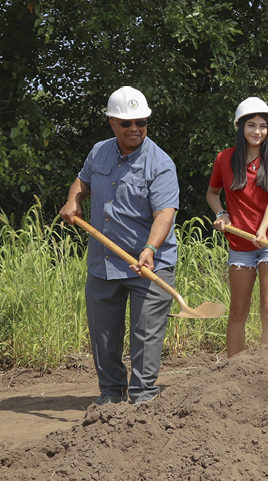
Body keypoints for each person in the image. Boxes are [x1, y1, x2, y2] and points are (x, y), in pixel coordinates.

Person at [58, 86, 179, 405]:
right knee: (103, 336)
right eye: (126, 123)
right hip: (103, 262)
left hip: (149, 264)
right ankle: (110, 396)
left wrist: (150, 249)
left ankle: (142, 398)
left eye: (141, 121)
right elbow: (82, 181)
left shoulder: (160, 163)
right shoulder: (98, 151)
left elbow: (165, 214)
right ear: (112, 123)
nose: (134, 128)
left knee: (145, 336)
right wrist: (73, 200)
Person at [206, 97, 268, 358]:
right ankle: (232, 371)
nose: (257, 131)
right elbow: (212, 193)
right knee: (238, 309)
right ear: (240, 126)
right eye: (251, 125)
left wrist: (263, 231)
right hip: (240, 244)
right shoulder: (224, 159)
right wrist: (222, 213)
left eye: (263, 126)